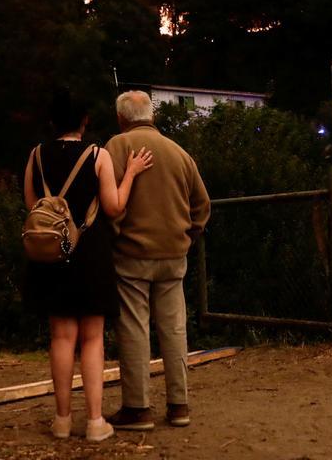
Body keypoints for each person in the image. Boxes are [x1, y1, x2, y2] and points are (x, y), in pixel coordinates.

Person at [24, 88, 153, 442]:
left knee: (61, 337)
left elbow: (34, 207)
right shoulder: (97, 155)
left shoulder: (36, 156)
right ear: (85, 120)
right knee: (93, 338)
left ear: (52, 121)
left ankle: (62, 420)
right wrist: (131, 174)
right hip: (90, 252)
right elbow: (113, 207)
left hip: (52, 255)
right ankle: (95, 422)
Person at [105, 91, 210, 431]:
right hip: (173, 254)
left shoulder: (117, 147)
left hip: (132, 256)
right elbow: (202, 205)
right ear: (152, 115)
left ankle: (138, 409)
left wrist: (115, 236)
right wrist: (187, 238)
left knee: (134, 327)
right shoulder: (179, 153)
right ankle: (179, 406)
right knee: (174, 327)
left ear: (122, 118)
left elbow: (109, 205)